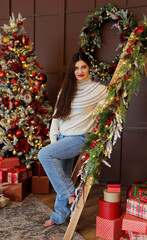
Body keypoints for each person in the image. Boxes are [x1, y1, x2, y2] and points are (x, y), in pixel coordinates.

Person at [38, 51, 107, 226]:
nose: (80, 71)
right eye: (76, 68)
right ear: (72, 70)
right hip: (63, 139)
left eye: (83, 66)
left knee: (44, 155)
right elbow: (56, 118)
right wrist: (55, 141)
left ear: (89, 67)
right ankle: (59, 217)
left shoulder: (99, 90)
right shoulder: (66, 90)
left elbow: (109, 108)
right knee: (64, 174)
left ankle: (70, 192)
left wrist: (99, 112)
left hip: (80, 138)